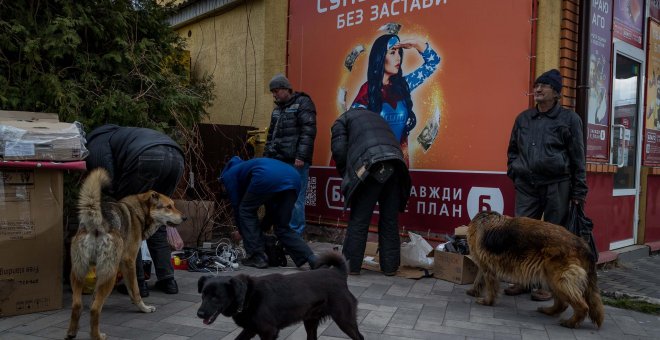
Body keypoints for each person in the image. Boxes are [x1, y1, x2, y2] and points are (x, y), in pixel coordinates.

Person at [505, 69, 588, 301]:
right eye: (536, 85)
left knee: (554, 238)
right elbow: (512, 150)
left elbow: (578, 157)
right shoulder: (523, 118)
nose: (538, 89)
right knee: (521, 234)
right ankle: (523, 279)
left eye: (544, 86)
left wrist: (579, 191)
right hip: (527, 185)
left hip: (557, 185)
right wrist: (515, 170)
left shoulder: (570, 119)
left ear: (557, 93)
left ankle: (549, 285)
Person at [85, 124, 184, 296]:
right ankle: (168, 280)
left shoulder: (95, 143)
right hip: (177, 158)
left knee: (130, 223)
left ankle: (137, 283)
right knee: (158, 219)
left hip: (147, 158)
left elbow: (106, 177)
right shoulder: (119, 134)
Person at [330, 108, 412, 276]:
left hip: (371, 166)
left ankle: (351, 266)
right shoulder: (377, 118)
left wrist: (348, 176)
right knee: (389, 220)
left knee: (359, 220)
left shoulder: (341, 121)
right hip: (396, 166)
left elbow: (339, 151)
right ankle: (390, 268)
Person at [351, 34, 440, 163]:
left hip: (400, 166)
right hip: (375, 168)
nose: (398, 58)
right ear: (380, 57)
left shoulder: (403, 85)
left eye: (399, 52)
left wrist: (416, 44)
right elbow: (353, 132)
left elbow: (433, 63)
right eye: (392, 52)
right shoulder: (368, 91)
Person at [220, 156, 317, 269]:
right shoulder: (249, 167)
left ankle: (257, 257)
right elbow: (271, 211)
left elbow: (238, 208)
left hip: (268, 176)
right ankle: (312, 258)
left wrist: (242, 231)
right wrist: (261, 228)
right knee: (282, 226)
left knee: (245, 210)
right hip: (293, 178)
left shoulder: (228, 175)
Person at [263, 73, 317, 235]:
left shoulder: (303, 103)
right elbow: (271, 136)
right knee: (278, 198)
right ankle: (282, 233)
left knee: (295, 200)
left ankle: (295, 236)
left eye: (276, 91)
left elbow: (308, 131)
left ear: (286, 89)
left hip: (296, 162)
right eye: (273, 92)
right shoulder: (277, 110)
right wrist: (266, 159)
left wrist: (301, 156)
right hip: (278, 161)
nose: (274, 95)